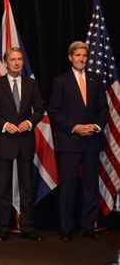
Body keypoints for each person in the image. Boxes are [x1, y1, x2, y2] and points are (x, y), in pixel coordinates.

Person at [48, 41, 109, 242]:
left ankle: (89, 226)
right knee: (69, 186)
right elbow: (54, 110)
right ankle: (66, 228)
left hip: (92, 141)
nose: (81, 58)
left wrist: (96, 127)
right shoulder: (61, 81)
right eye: (78, 55)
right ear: (70, 57)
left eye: (84, 55)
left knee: (91, 186)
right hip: (69, 141)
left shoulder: (96, 80)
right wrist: (74, 127)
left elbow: (103, 110)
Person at [0, 47, 45, 241]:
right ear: (6, 63)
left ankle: (27, 227)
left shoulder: (31, 84)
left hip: (25, 141)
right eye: (13, 59)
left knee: (27, 187)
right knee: (4, 188)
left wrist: (29, 122)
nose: (17, 62)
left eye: (20, 59)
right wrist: (5, 125)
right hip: (5, 142)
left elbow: (39, 109)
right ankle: (4, 228)